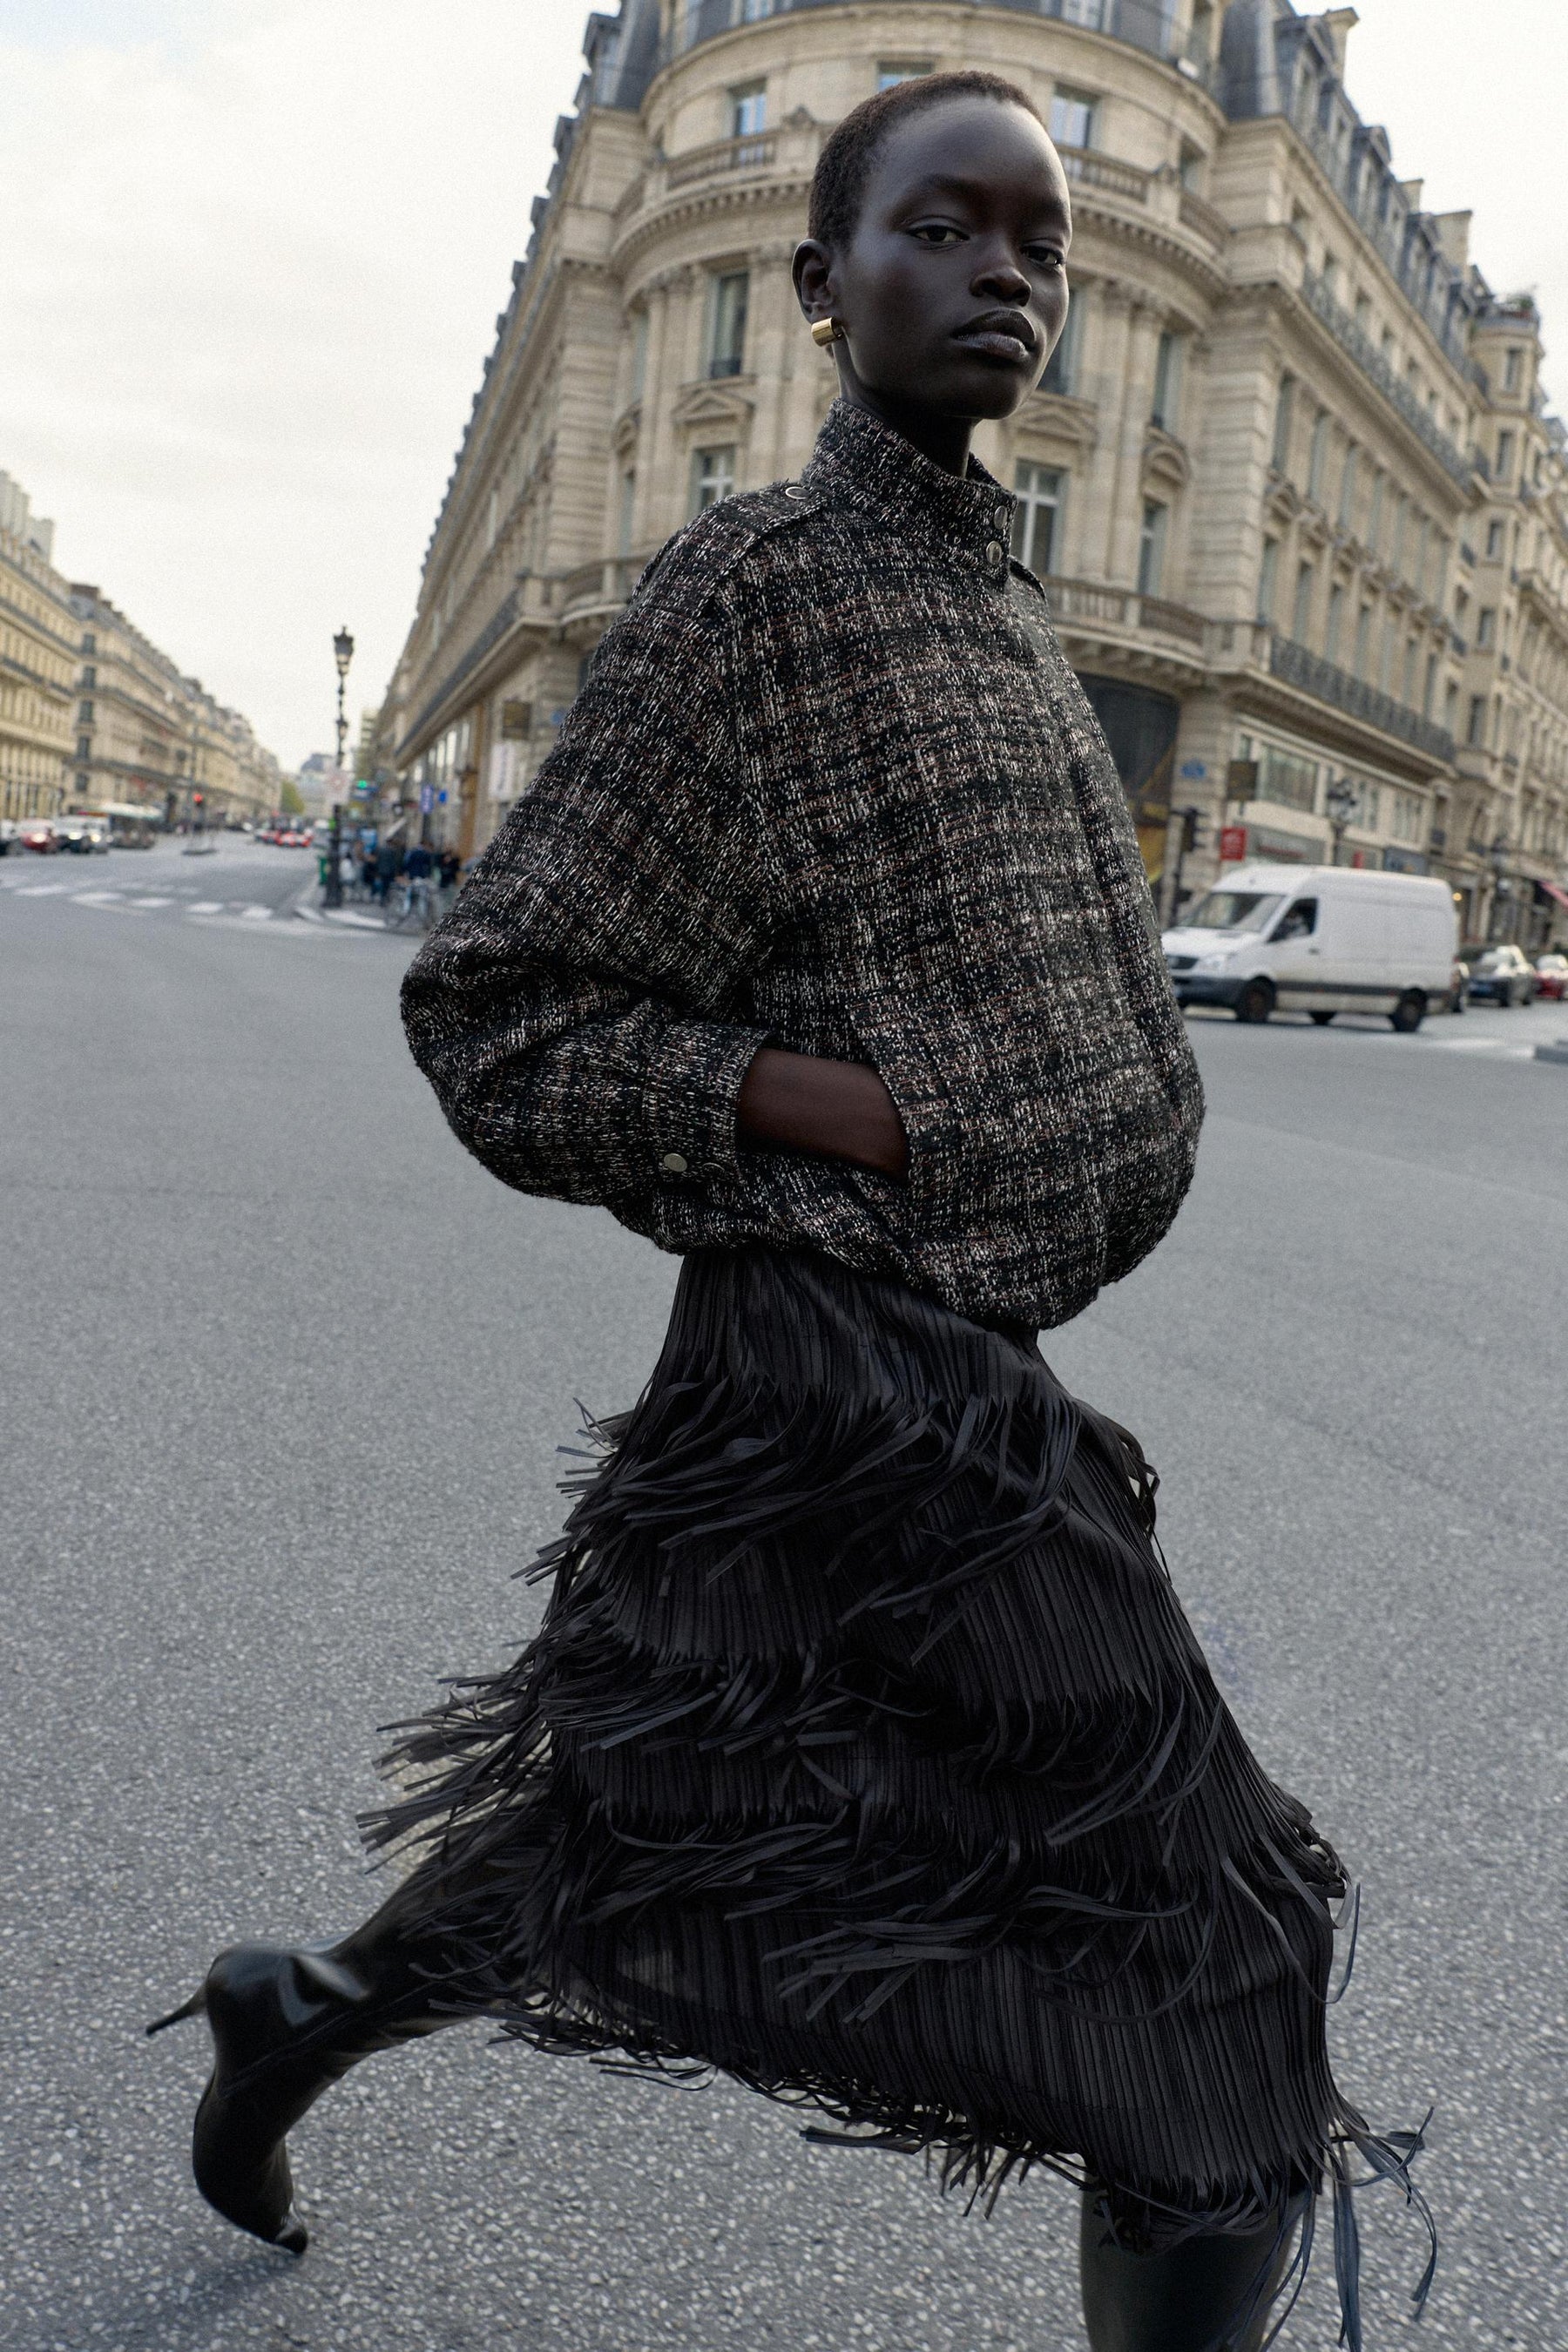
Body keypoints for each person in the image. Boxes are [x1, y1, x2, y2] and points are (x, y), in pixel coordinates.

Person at [151, 73, 1432, 2350]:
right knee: (1220, 1953)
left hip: (910, 1361)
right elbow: (508, 1009)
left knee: (654, 1815)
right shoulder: (758, 592)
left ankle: (304, 2007)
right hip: (864, 1389)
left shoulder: (993, 598)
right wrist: (853, 1113)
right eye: (944, 227)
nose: (1004, 276)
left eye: (1039, 244)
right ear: (821, 279)